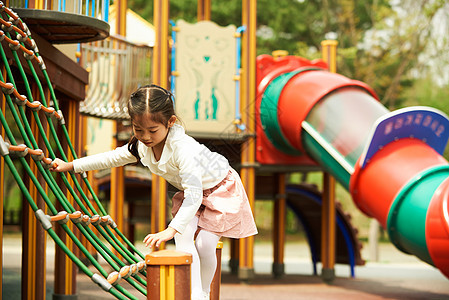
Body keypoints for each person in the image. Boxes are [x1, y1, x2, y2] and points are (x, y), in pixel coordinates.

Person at [51, 84, 258, 300]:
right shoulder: (142, 146)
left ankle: (203, 292)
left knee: (204, 245)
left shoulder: (183, 150)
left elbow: (195, 194)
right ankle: (194, 293)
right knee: (184, 237)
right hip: (191, 193)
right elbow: (111, 158)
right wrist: (71, 165)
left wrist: (170, 229)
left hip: (220, 188)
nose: (145, 136)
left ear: (170, 122)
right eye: (138, 129)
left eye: (152, 130)